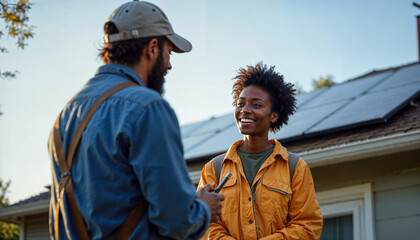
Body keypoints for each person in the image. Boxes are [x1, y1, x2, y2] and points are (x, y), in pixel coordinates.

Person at [48, 1, 223, 239]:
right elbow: (179, 221)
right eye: (169, 52)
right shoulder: (148, 108)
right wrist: (203, 207)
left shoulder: (65, 116)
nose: (169, 64)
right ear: (152, 48)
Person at [198, 62, 323, 239]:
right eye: (241, 104)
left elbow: (308, 225)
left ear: (274, 116)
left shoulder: (294, 168)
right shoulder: (214, 169)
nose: (245, 110)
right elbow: (204, 225)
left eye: (256, 105)